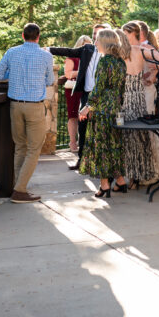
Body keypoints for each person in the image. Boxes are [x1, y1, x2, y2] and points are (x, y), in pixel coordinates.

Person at [0, 22, 56, 203]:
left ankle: (19, 186)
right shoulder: (45, 56)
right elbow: (50, 80)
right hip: (34, 106)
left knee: (20, 147)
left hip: (15, 105)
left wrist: (14, 73)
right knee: (34, 148)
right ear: (38, 37)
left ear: (22, 35)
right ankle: (20, 190)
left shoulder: (12, 52)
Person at [49, 22, 111, 169]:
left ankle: (102, 164)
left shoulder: (110, 56)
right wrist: (49, 49)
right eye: (94, 33)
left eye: (99, 33)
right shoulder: (87, 49)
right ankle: (82, 160)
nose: (95, 36)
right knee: (83, 129)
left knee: (101, 130)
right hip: (86, 95)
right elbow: (69, 52)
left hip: (102, 96)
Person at [78, 29, 127, 198]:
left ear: (105, 42)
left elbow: (98, 88)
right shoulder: (121, 62)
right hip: (115, 109)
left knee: (101, 146)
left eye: (97, 40)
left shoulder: (105, 61)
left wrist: (87, 107)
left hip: (103, 109)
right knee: (113, 145)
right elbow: (121, 89)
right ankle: (120, 181)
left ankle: (104, 185)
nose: (95, 43)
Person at [120, 22, 159, 187]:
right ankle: (134, 175)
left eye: (127, 34)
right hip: (130, 96)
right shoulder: (129, 50)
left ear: (137, 34)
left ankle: (142, 174)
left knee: (141, 135)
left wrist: (151, 74)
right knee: (131, 136)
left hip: (142, 96)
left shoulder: (144, 49)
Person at [61, 34, 92, 154]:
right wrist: (83, 71)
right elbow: (68, 74)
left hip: (86, 88)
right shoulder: (72, 58)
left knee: (85, 116)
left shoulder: (92, 58)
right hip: (73, 89)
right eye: (85, 45)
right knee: (73, 115)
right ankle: (72, 141)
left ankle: (83, 141)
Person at [136, 19, 159, 114]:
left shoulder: (148, 47)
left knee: (148, 113)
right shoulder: (136, 46)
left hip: (148, 86)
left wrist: (153, 73)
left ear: (140, 32)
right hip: (138, 88)